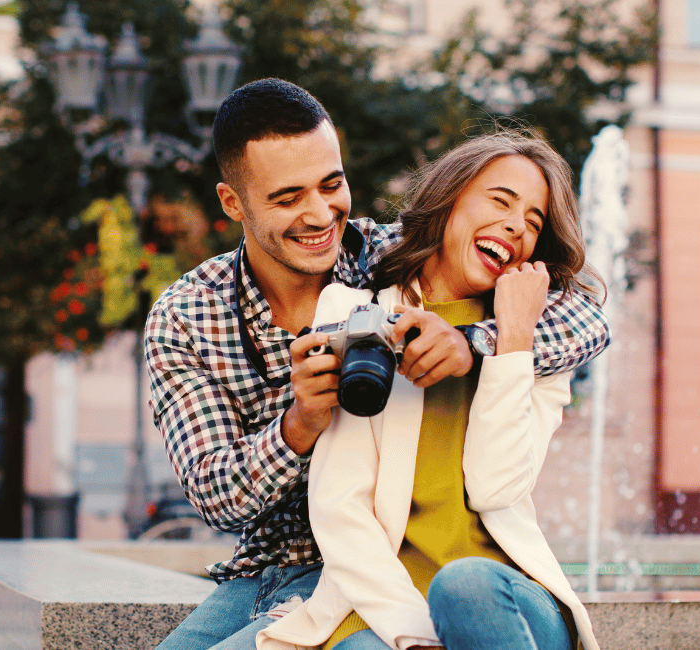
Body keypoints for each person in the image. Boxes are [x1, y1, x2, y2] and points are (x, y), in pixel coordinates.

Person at [145, 79, 610, 650]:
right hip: (270, 568)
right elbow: (217, 495)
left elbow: (583, 314)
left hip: (380, 561)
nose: (320, 215)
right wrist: (300, 425)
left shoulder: (386, 257)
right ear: (233, 203)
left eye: (332, 185)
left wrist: (473, 342)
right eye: (289, 198)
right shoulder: (188, 314)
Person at [256, 130, 600, 650]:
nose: (515, 225)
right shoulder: (351, 316)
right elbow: (339, 507)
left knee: (463, 585)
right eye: (501, 201)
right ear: (448, 200)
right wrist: (414, 636)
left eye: (533, 222)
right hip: (385, 603)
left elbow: (494, 488)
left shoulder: (533, 345)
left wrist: (513, 342)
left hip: (502, 603)